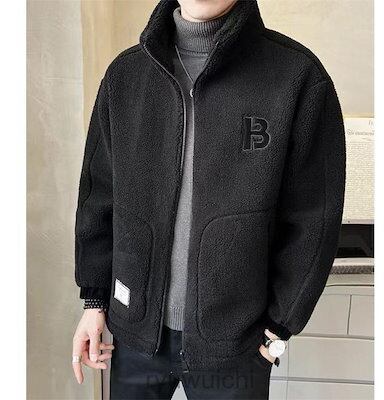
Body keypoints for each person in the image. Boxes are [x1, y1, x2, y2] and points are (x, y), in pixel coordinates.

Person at [72, 0, 346, 398]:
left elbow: (313, 218)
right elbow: (99, 197)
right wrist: (94, 302)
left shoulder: (296, 76)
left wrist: (279, 327)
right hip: (135, 335)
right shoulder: (126, 75)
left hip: (237, 346)